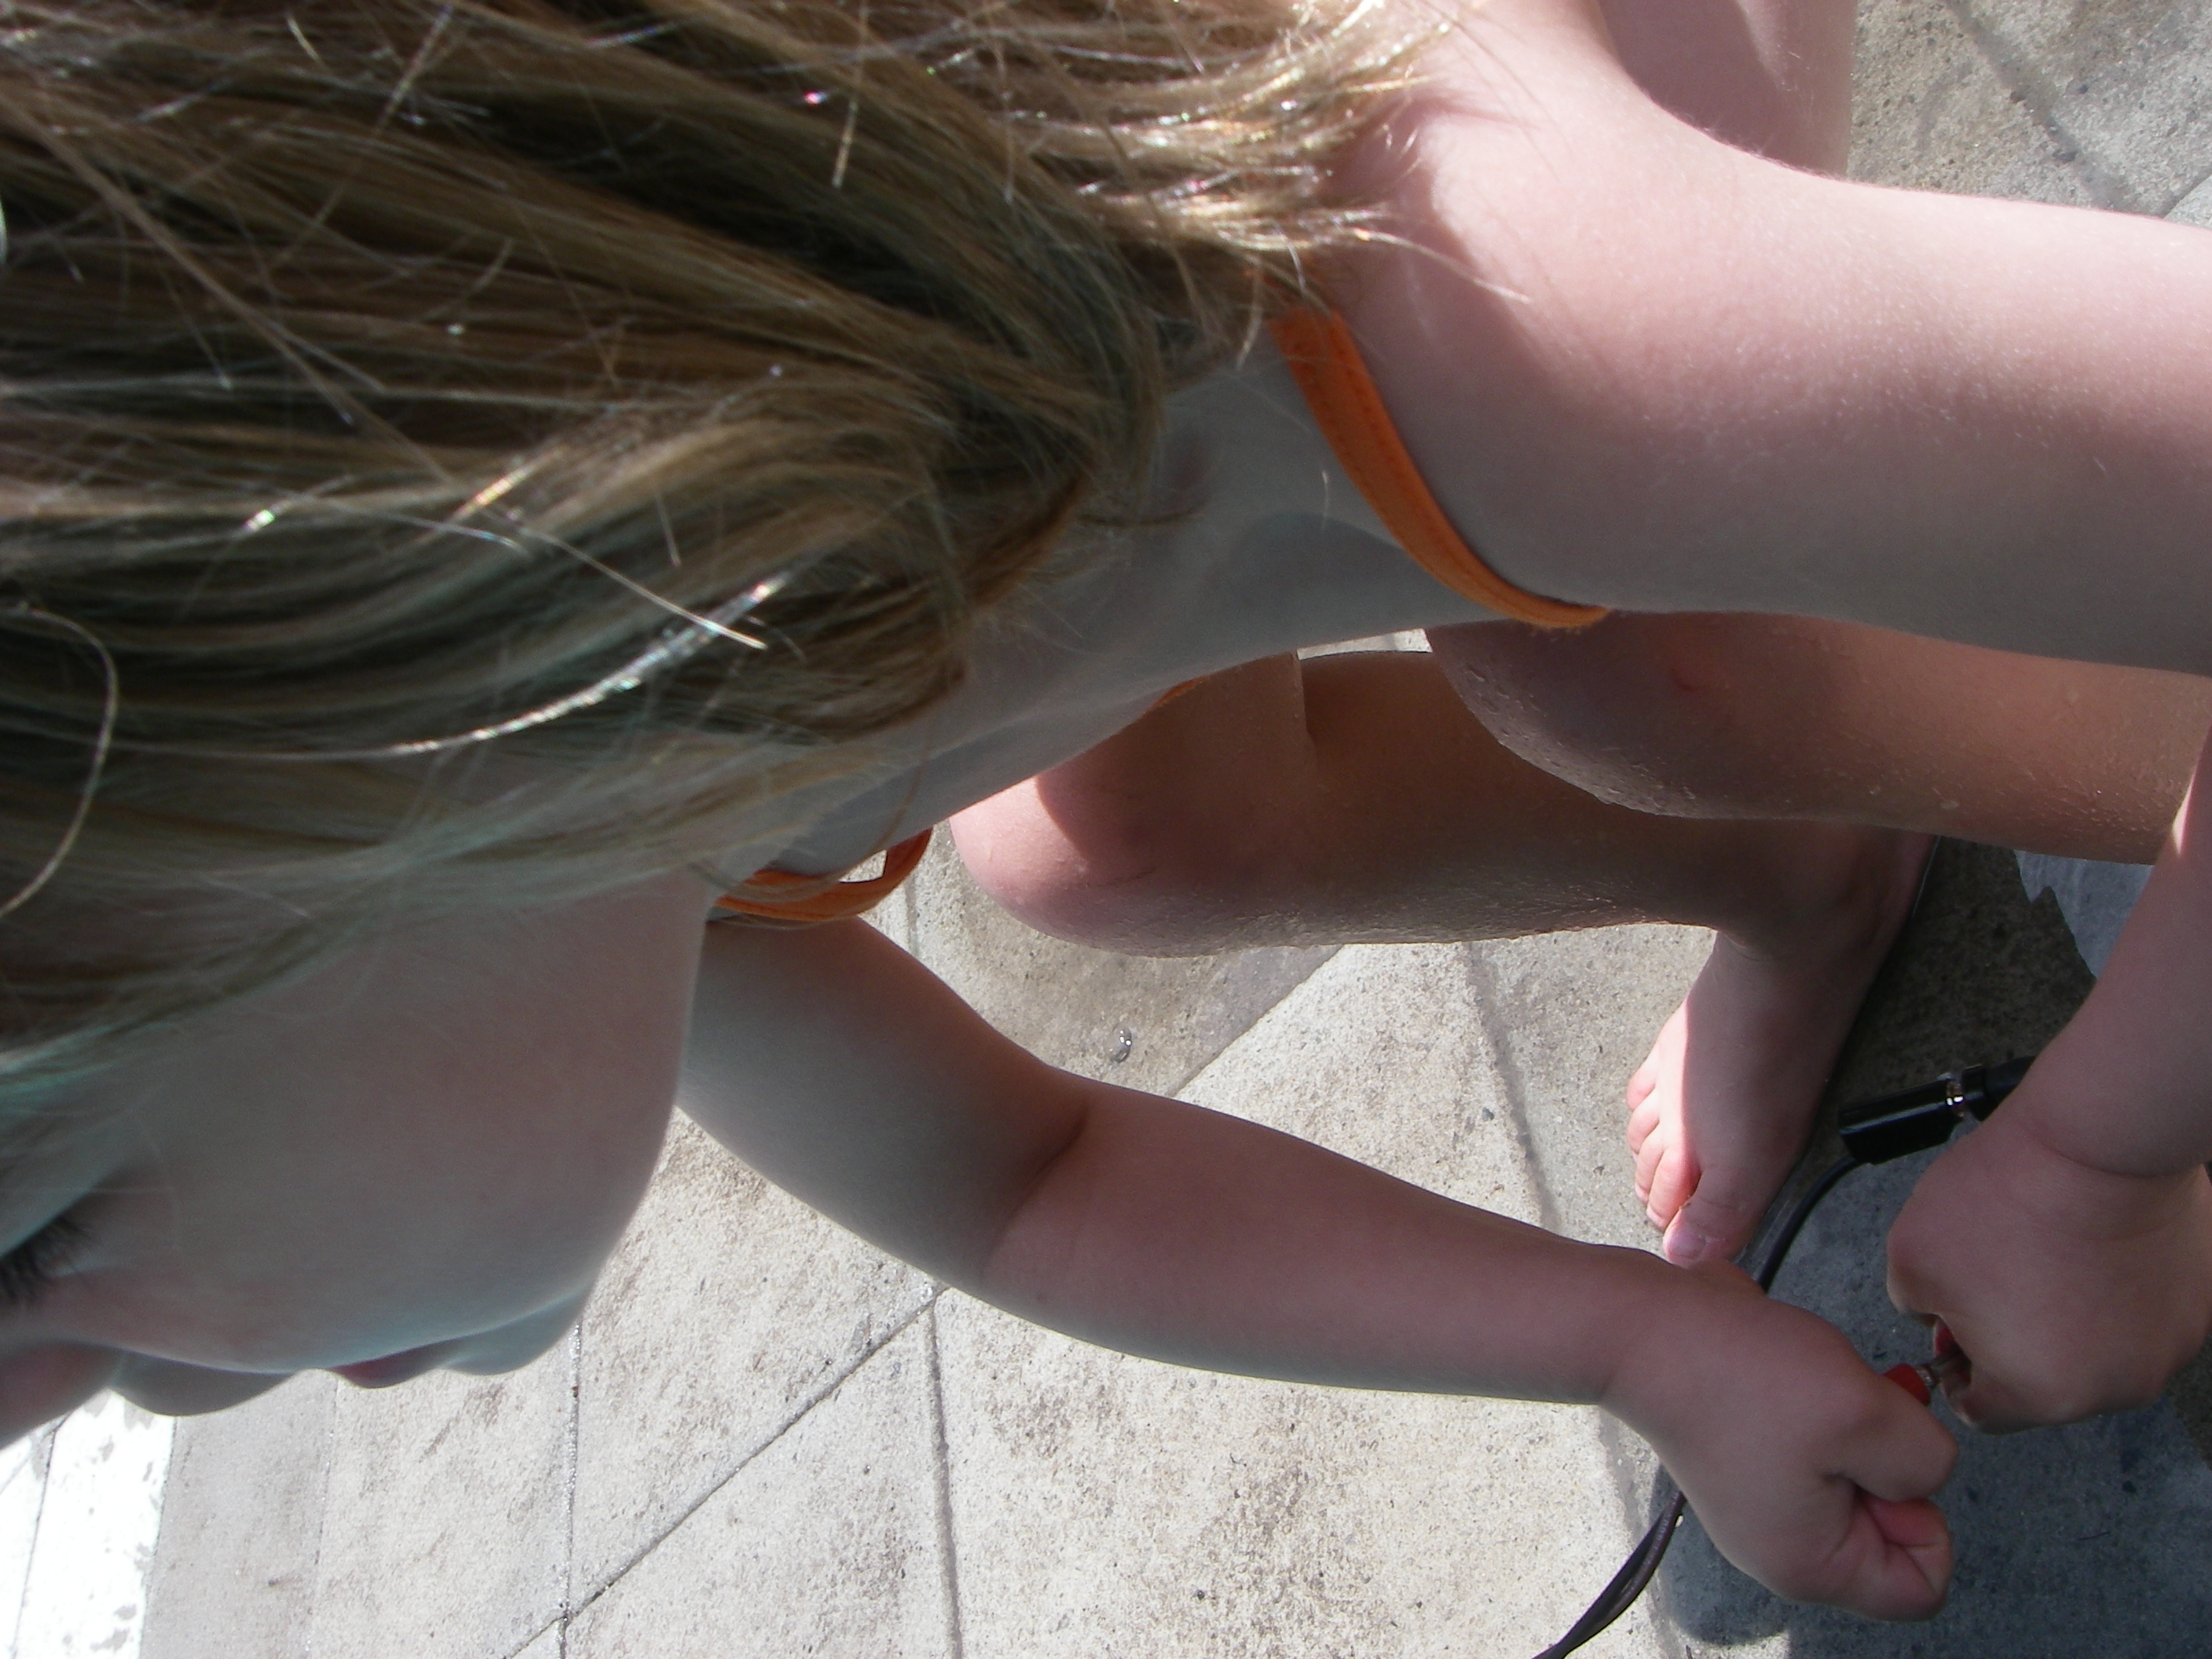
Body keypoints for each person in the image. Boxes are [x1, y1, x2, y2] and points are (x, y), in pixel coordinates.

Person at [1, 0, 2209, 1624]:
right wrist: (1640, 1343)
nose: (163, 1404)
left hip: (1431, 181)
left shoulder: (1516, 303)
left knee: (1647, 665)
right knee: (1107, 843)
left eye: (34, 1265)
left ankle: (1899, 761)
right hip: (1128, 334)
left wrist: (2107, 1152)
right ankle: (1809, 869)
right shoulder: (587, 801)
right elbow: (1023, 1183)